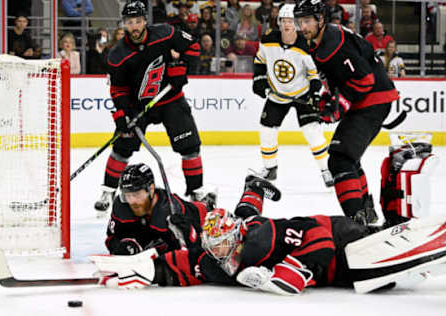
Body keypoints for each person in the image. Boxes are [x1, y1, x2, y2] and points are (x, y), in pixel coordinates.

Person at [91, 174, 446, 295]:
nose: (218, 256)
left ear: (236, 239)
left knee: (375, 253)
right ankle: (253, 186)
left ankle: (398, 191)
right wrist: (150, 270)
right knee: (379, 278)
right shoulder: (217, 258)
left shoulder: (261, 238)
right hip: (335, 272)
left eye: (222, 247)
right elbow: (190, 263)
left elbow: (318, 236)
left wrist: (291, 271)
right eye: (213, 249)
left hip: (341, 237)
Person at [293, 0, 399, 226]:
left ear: (320, 19)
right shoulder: (318, 41)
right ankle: (365, 215)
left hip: (373, 99)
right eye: (299, 21)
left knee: (340, 161)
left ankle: (356, 224)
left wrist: (340, 104)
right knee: (348, 158)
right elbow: (337, 77)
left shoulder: (334, 42)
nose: (302, 26)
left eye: (307, 21)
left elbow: (364, 79)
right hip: (368, 99)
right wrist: (327, 99)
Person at [94, 1, 203, 215]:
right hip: (138, 106)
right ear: (124, 24)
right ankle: (108, 191)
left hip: (170, 99)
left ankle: (196, 192)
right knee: (122, 149)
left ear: (145, 21)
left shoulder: (165, 33)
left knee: (190, 147)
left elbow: (194, 46)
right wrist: (123, 114)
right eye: (129, 22)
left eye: (137, 21)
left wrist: (182, 67)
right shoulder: (118, 54)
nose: (134, 26)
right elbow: (118, 89)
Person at [104, 163, 278, 256]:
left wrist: (150, 254)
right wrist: (120, 245)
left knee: (244, 228)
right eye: (128, 194)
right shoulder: (122, 205)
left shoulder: (168, 212)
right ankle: (206, 200)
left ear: (150, 189)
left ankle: (254, 188)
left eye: (137, 194)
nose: (132, 201)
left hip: (203, 222)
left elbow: (189, 253)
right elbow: (112, 237)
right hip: (176, 225)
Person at [251, 5, 332, 187]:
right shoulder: (268, 40)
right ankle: (270, 168)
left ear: (296, 24)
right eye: (284, 21)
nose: (287, 24)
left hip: (301, 94)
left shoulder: (306, 46)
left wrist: (313, 92)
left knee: (312, 131)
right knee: (266, 131)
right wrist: (259, 81)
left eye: (291, 21)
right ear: (279, 22)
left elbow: (314, 75)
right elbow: (259, 62)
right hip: (277, 95)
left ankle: (326, 169)